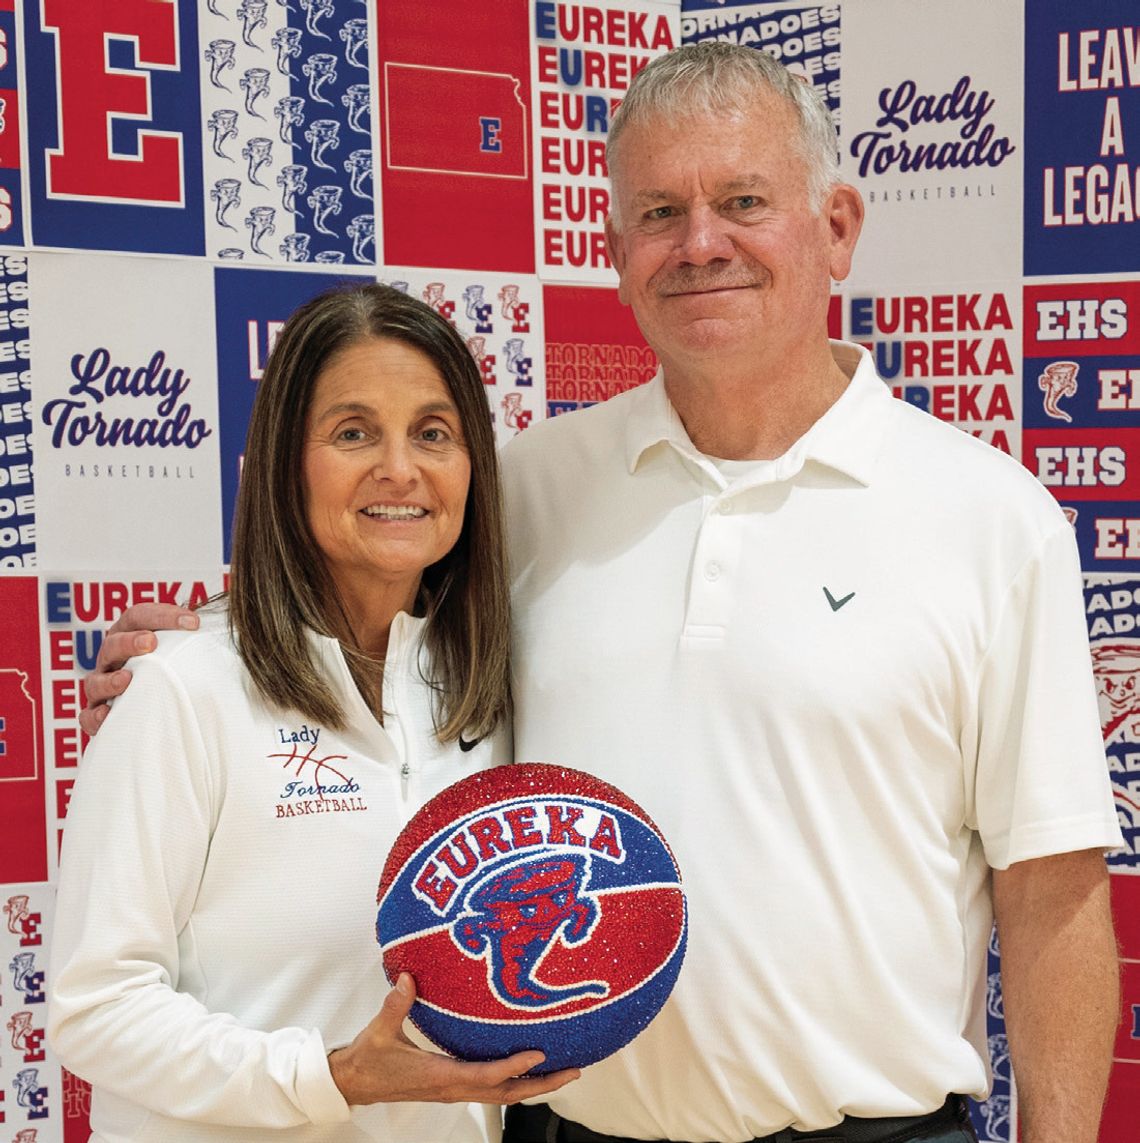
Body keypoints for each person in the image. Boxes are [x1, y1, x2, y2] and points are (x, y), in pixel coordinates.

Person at [80, 43, 1122, 1143]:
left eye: (744, 201)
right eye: (659, 212)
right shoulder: (529, 485)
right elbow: (359, 579)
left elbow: (1053, 896)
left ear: (838, 228)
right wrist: (207, 650)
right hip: (563, 1130)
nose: (700, 243)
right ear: (615, 250)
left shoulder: (995, 522)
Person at [48, 283, 577, 1142]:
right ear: (285, 461)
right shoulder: (181, 686)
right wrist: (327, 1078)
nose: (400, 468)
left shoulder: (491, 695)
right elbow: (93, 1005)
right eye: (353, 431)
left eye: (433, 433)